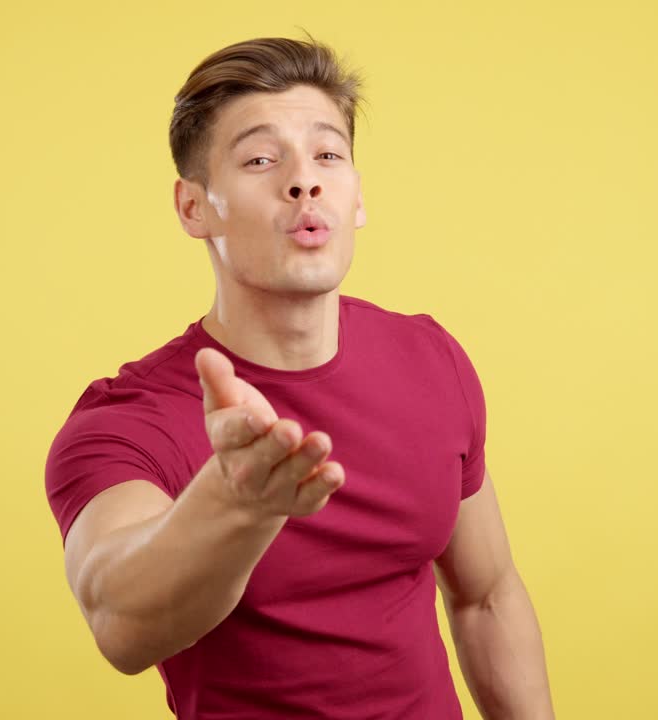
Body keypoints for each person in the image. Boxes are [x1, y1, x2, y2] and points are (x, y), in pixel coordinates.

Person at [43, 34, 555, 719]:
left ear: (357, 198)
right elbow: (119, 623)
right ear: (194, 207)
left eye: (327, 155)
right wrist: (237, 504)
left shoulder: (430, 359)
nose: (304, 180)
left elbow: (486, 596)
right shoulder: (127, 423)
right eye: (260, 158)